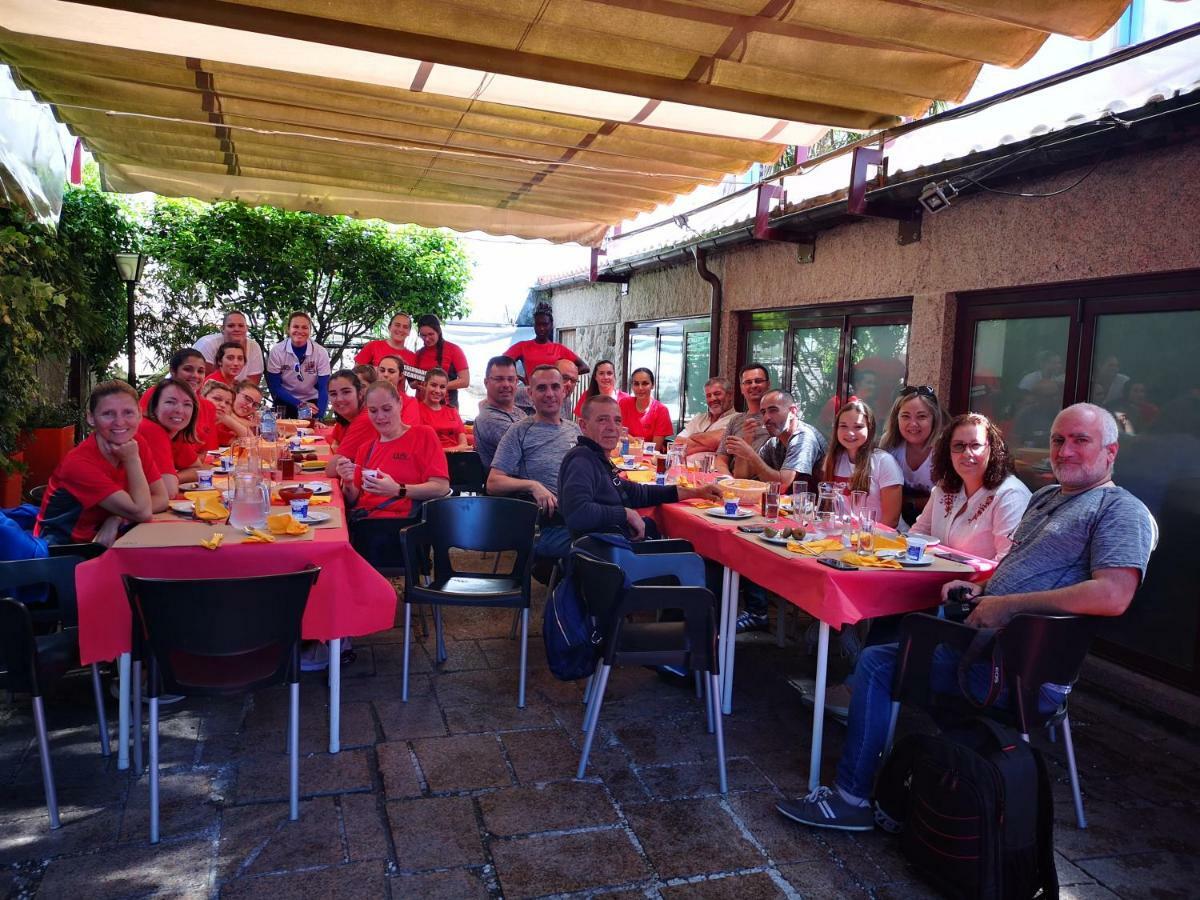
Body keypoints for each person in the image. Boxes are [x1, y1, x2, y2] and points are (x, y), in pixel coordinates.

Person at [777, 403, 1154, 832]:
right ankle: (934, 777)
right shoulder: (1048, 496)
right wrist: (982, 591)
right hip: (984, 643)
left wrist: (1005, 605)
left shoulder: (1121, 510)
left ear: (1111, 452)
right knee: (891, 640)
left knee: (880, 663)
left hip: (1020, 669)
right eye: (1058, 440)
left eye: (1080, 440)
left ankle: (852, 798)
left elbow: (1114, 595)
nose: (1065, 450)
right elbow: (1014, 565)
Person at [560, 395, 721, 540]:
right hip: (606, 557)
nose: (612, 427)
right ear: (583, 425)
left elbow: (640, 493)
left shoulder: (597, 458)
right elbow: (577, 513)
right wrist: (625, 514)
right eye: (602, 420)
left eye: (617, 421)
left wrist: (697, 492)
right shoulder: (581, 460)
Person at [36, 380, 168, 547]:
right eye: (108, 414)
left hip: (108, 539)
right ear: (91, 418)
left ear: (140, 415)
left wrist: (118, 517)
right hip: (64, 551)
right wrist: (132, 460)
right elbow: (143, 512)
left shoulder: (136, 443)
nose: (119, 422)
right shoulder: (79, 463)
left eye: (128, 413)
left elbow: (161, 498)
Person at [335, 381, 450, 568]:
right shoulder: (366, 448)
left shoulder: (423, 435)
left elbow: (441, 487)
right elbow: (354, 499)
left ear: (400, 404)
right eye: (373, 411)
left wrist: (398, 489)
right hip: (364, 526)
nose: (380, 417)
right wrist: (347, 481)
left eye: (386, 409)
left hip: (401, 529)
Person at [486, 365, 581, 559]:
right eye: (541, 388)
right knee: (590, 551)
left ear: (564, 391)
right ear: (530, 393)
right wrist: (532, 486)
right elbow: (493, 483)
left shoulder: (575, 430)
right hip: (549, 522)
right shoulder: (518, 432)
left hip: (581, 513)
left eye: (555, 387)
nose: (549, 394)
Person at [911, 413, 1031, 562]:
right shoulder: (945, 487)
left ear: (992, 449)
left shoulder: (1011, 494)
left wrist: (976, 584)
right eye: (958, 446)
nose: (967, 453)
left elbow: (1008, 562)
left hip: (978, 583)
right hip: (937, 577)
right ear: (948, 453)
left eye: (975, 445)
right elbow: (917, 535)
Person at [820, 398, 903, 528]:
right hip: (845, 536)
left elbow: (891, 520)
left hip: (879, 540)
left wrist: (863, 540)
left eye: (858, 427)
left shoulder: (884, 462)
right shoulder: (832, 459)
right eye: (843, 426)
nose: (850, 433)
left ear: (870, 428)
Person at [726, 389, 826, 493]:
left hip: (810, 507)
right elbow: (742, 478)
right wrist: (747, 441)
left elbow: (783, 485)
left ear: (792, 411)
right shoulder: (774, 442)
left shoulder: (803, 438)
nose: (766, 417)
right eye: (763, 412)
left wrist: (751, 455)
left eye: (773, 410)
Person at [325, 368, 420, 477]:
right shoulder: (351, 419)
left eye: (346, 392)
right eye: (333, 394)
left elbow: (331, 470)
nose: (339, 399)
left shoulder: (364, 420)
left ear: (360, 393)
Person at [879, 385, 949, 527]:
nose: (913, 424)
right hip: (897, 526)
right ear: (896, 418)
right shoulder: (889, 444)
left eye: (921, 416)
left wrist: (908, 502)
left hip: (938, 527)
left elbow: (948, 500)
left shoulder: (945, 449)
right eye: (905, 416)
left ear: (934, 418)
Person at [140, 348, 220, 458]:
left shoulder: (208, 407)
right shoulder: (156, 394)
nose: (195, 375)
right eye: (188, 369)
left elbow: (206, 452)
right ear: (173, 371)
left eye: (200, 371)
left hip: (189, 468)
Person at [139, 380, 200, 499]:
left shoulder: (175, 432)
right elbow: (168, 492)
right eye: (170, 402)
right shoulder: (151, 430)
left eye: (187, 404)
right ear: (155, 407)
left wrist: (174, 477)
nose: (179, 410)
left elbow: (197, 468)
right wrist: (167, 480)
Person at [266, 311, 331, 418]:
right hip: (285, 399)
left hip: (311, 400)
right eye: (296, 326)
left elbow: (324, 388)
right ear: (288, 329)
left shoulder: (320, 352)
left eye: (305, 327)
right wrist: (300, 404)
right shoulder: (277, 351)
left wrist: (319, 417)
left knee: (312, 431)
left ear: (310, 330)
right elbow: (275, 386)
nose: (300, 331)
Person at [505, 304, 589, 383]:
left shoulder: (559, 349)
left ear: (551, 325)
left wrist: (562, 378)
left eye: (545, 324)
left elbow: (584, 367)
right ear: (534, 326)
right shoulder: (522, 346)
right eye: (538, 324)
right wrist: (516, 377)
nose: (541, 328)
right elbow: (501, 362)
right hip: (531, 394)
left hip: (554, 395)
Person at [716, 363, 772, 479]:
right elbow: (721, 458)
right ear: (741, 389)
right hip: (734, 481)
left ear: (768, 385)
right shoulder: (736, 420)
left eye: (758, 381)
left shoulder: (775, 419)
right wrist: (728, 480)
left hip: (763, 483)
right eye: (748, 382)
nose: (753, 385)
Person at [473, 356, 526, 468]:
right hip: (515, 483)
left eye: (510, 379)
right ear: (486, 382)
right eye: (499, 379)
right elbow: (530, 447)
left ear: (516, 382)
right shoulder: (488, 419)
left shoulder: (519, 412)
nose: (506, 384)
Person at [194, 310, 266, 384]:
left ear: (247, 328)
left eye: (241, 326)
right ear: (222, 328)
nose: (236, 329)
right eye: (231, 326)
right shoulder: (207, 344)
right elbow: (203, 380)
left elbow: (252, 385)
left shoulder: (254, 347)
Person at [414, 314, 469, 408]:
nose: (426, 339)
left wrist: (437, 387)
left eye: (430, 334)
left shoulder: (454, 350)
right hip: (422, 406)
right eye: (423, 335)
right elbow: (413, 382)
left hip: (447, 406)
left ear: (438, 331)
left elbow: (465, 381)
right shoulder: (419, 354)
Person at [676, 376, 736, 458]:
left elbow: (720, 440)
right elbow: (677, 443)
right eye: (708, 395)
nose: (712, 399)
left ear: (730, 395)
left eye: (717, 394)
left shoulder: (737, 419)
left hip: (712, 470)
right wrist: (711, 445)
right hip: (684, 468)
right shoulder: (698, 418)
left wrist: (692, 437)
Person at [619, 368, 673, 452]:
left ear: (653, 385)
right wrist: (635, 441)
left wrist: (629, 439)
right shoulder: (623, 404)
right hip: (621, 457)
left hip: (647, 461)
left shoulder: (661, 410)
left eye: (645, 383)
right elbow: (615, 431)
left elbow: (654, 449)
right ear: (632, 386)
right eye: (636, 384)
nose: (640, 388)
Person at [419, 368, 469, 451]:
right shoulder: (416, 410)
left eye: (442, 387)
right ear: (425, 385)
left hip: (456, 459)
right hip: (430, 459)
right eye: (433, 385)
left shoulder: (452, 411)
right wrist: (450, 450)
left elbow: (464, 444)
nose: (438, 391)